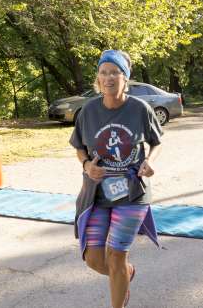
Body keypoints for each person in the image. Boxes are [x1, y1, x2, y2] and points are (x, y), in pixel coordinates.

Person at [70, 50, 163, 308]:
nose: (108, 77)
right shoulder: (88, 111)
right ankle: (125, 273)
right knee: (94, 258)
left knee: (116, 255)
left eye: (114, 72)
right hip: (97, 193)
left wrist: (150, 162)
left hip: (132, 193)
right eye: (103, 72)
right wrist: (87, 165)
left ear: (125, 78)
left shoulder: (139, 109)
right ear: (98, 78)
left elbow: (157, 143)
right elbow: (78, 146)